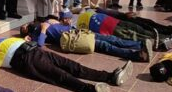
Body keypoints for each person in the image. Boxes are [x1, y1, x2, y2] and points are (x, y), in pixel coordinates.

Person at [0, 34, 133, 92]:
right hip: (25, 60)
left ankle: (110, 76)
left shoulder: (3, 39)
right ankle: (90, 90)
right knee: (59, 75)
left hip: (37, 51)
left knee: (73, 65)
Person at [20, 10, 153, 62]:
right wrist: (43, 30)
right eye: (23, 28)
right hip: (75, 39)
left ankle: (140, 44)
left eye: (24, 25)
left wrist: (63, 20)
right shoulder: (37, 31)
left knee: (110, 39)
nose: (25, 25)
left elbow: (64, 21)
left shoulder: (47, 20)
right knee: (106, 46)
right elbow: (40, 44)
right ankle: (137, 55)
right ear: (26, 31)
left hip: (80, 32)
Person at [77, 9, 172, 50]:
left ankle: (167, 36)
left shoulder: (86, 10)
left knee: (141, 29)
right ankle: (163, 42)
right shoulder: (73, 26)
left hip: (116, 22)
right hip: (111, 29)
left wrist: (122, 14)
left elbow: (103, 11)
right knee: (136, 36)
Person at [96, 7, 172, 36]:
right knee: (144, 26)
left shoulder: (96, 10)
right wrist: (123, 15)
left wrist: (124, 14)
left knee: (148, 21)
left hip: (122, 17)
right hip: (119, 22)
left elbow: (111, 13)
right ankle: (167, 32)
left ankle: (168, 29)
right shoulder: (94, 14)